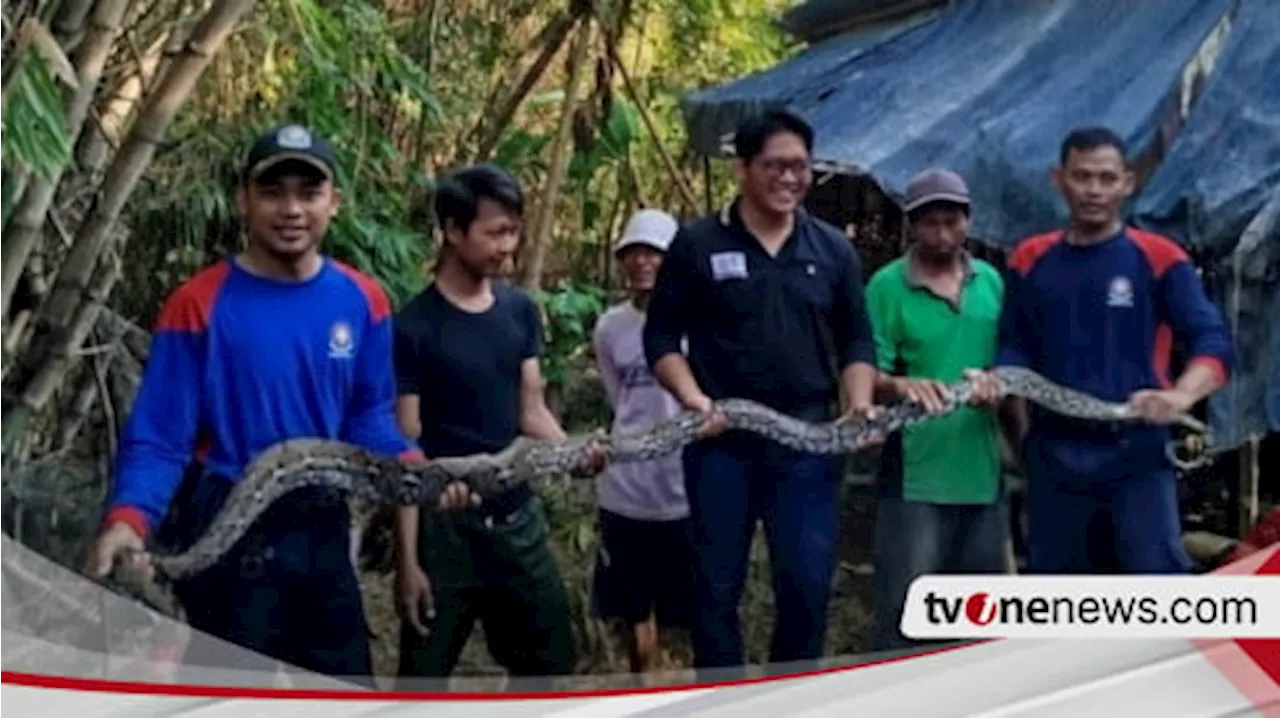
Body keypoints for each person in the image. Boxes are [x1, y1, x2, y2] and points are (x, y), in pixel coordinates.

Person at [82, 124, 476, 687]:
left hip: (319, 525)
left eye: (308, 192)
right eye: (273, 192)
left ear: (333, 203)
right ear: (244, 198)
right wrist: (128, 519)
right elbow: (161, 436)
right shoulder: (197, 304)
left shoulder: (363, 300)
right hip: (226, 528)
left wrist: (414, 472)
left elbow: (367, 417)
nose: (291, 209)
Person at [642, 109, 882, 678]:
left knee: (806, 583)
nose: (790, 179)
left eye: (800, 167)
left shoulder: (832, 250)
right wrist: (694, 399)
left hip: (806, 442)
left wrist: (858, 403)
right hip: (720, 441)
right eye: (775, 165)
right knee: (715, 588)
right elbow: (659, 336)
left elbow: (857, 339)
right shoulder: (697, 243)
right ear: (743, 168)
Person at [979, 126, 1235, 574]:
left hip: (1136, 454)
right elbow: (1014, 345)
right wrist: (997, 381)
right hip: (1054, 457)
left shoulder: (1159, 257)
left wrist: (1181, 395)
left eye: (1105, 178)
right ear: (1058, 179)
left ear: (1126, 183)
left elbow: (1212, 343)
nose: (1094, 190)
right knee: (1061, 601)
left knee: (1153, 594)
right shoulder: (1030, 259)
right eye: (1082, 177)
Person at [391, 163, 606, 687]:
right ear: (452, 230)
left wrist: (573, 452)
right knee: (422, 677)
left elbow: (530, 411)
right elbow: (405, 446)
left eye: (513, 230)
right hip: (445, 530)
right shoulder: (412, 327)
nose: (508, 245)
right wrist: (408, 561)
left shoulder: (519, 311)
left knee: (549, 661)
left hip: (516, 516)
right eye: (495, 232)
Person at [863, 169, 1008, 652]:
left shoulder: (990, 283)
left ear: (968, 222)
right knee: (908, 615)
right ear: (911, 226)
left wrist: (998, 386)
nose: (943, 235)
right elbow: (865, 378)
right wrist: (901, 385)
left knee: (978, 619)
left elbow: (1010, 367)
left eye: (953, 222)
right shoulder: (887, 287)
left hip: (982, 475)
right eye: (930, 224)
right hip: (914, 478)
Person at [590, 208, 694, 678]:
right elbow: (620, 399)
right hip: (626, 489)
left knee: (687, 612)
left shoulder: (702, 323)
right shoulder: (611, 327)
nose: (641, 262)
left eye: (653, 252)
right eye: (632, 252)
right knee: (632, 609)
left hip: (686, 488)